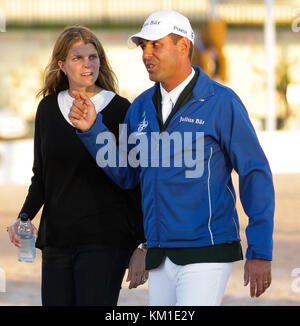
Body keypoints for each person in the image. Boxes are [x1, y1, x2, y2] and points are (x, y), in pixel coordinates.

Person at [69, 10, 275, 306]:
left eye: (156, 45)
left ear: (183, 47)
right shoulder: (139, 107)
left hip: (207, 250)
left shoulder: (222, 102)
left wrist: (260, 249)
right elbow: (128, 175)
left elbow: (254, 172)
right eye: (143, 47)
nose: (146, 54)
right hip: (160, 254)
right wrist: (92, 130)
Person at [7, 26, 147, 306]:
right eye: (78, 58)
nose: (88, 64)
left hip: (105, 240)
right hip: (57, 239)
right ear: (62, 65)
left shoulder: (120, 109)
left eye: (93, 57)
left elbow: (135, 181)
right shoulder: (47, 109)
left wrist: (141, 245)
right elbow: (41, 176)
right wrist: (24, 216)